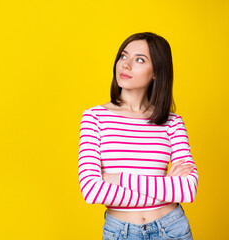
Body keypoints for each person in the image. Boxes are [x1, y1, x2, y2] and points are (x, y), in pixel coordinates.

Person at [78, 32, 198, 240]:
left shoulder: (173, 122)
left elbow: (186, 190)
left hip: (172, 229)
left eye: (139, 60)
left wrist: (118, 179)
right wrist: (163, 185)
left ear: (156, 73)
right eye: (123, 56)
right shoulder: (94, 117)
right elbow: (92, 191)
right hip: (120, 232)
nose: (126, 65)